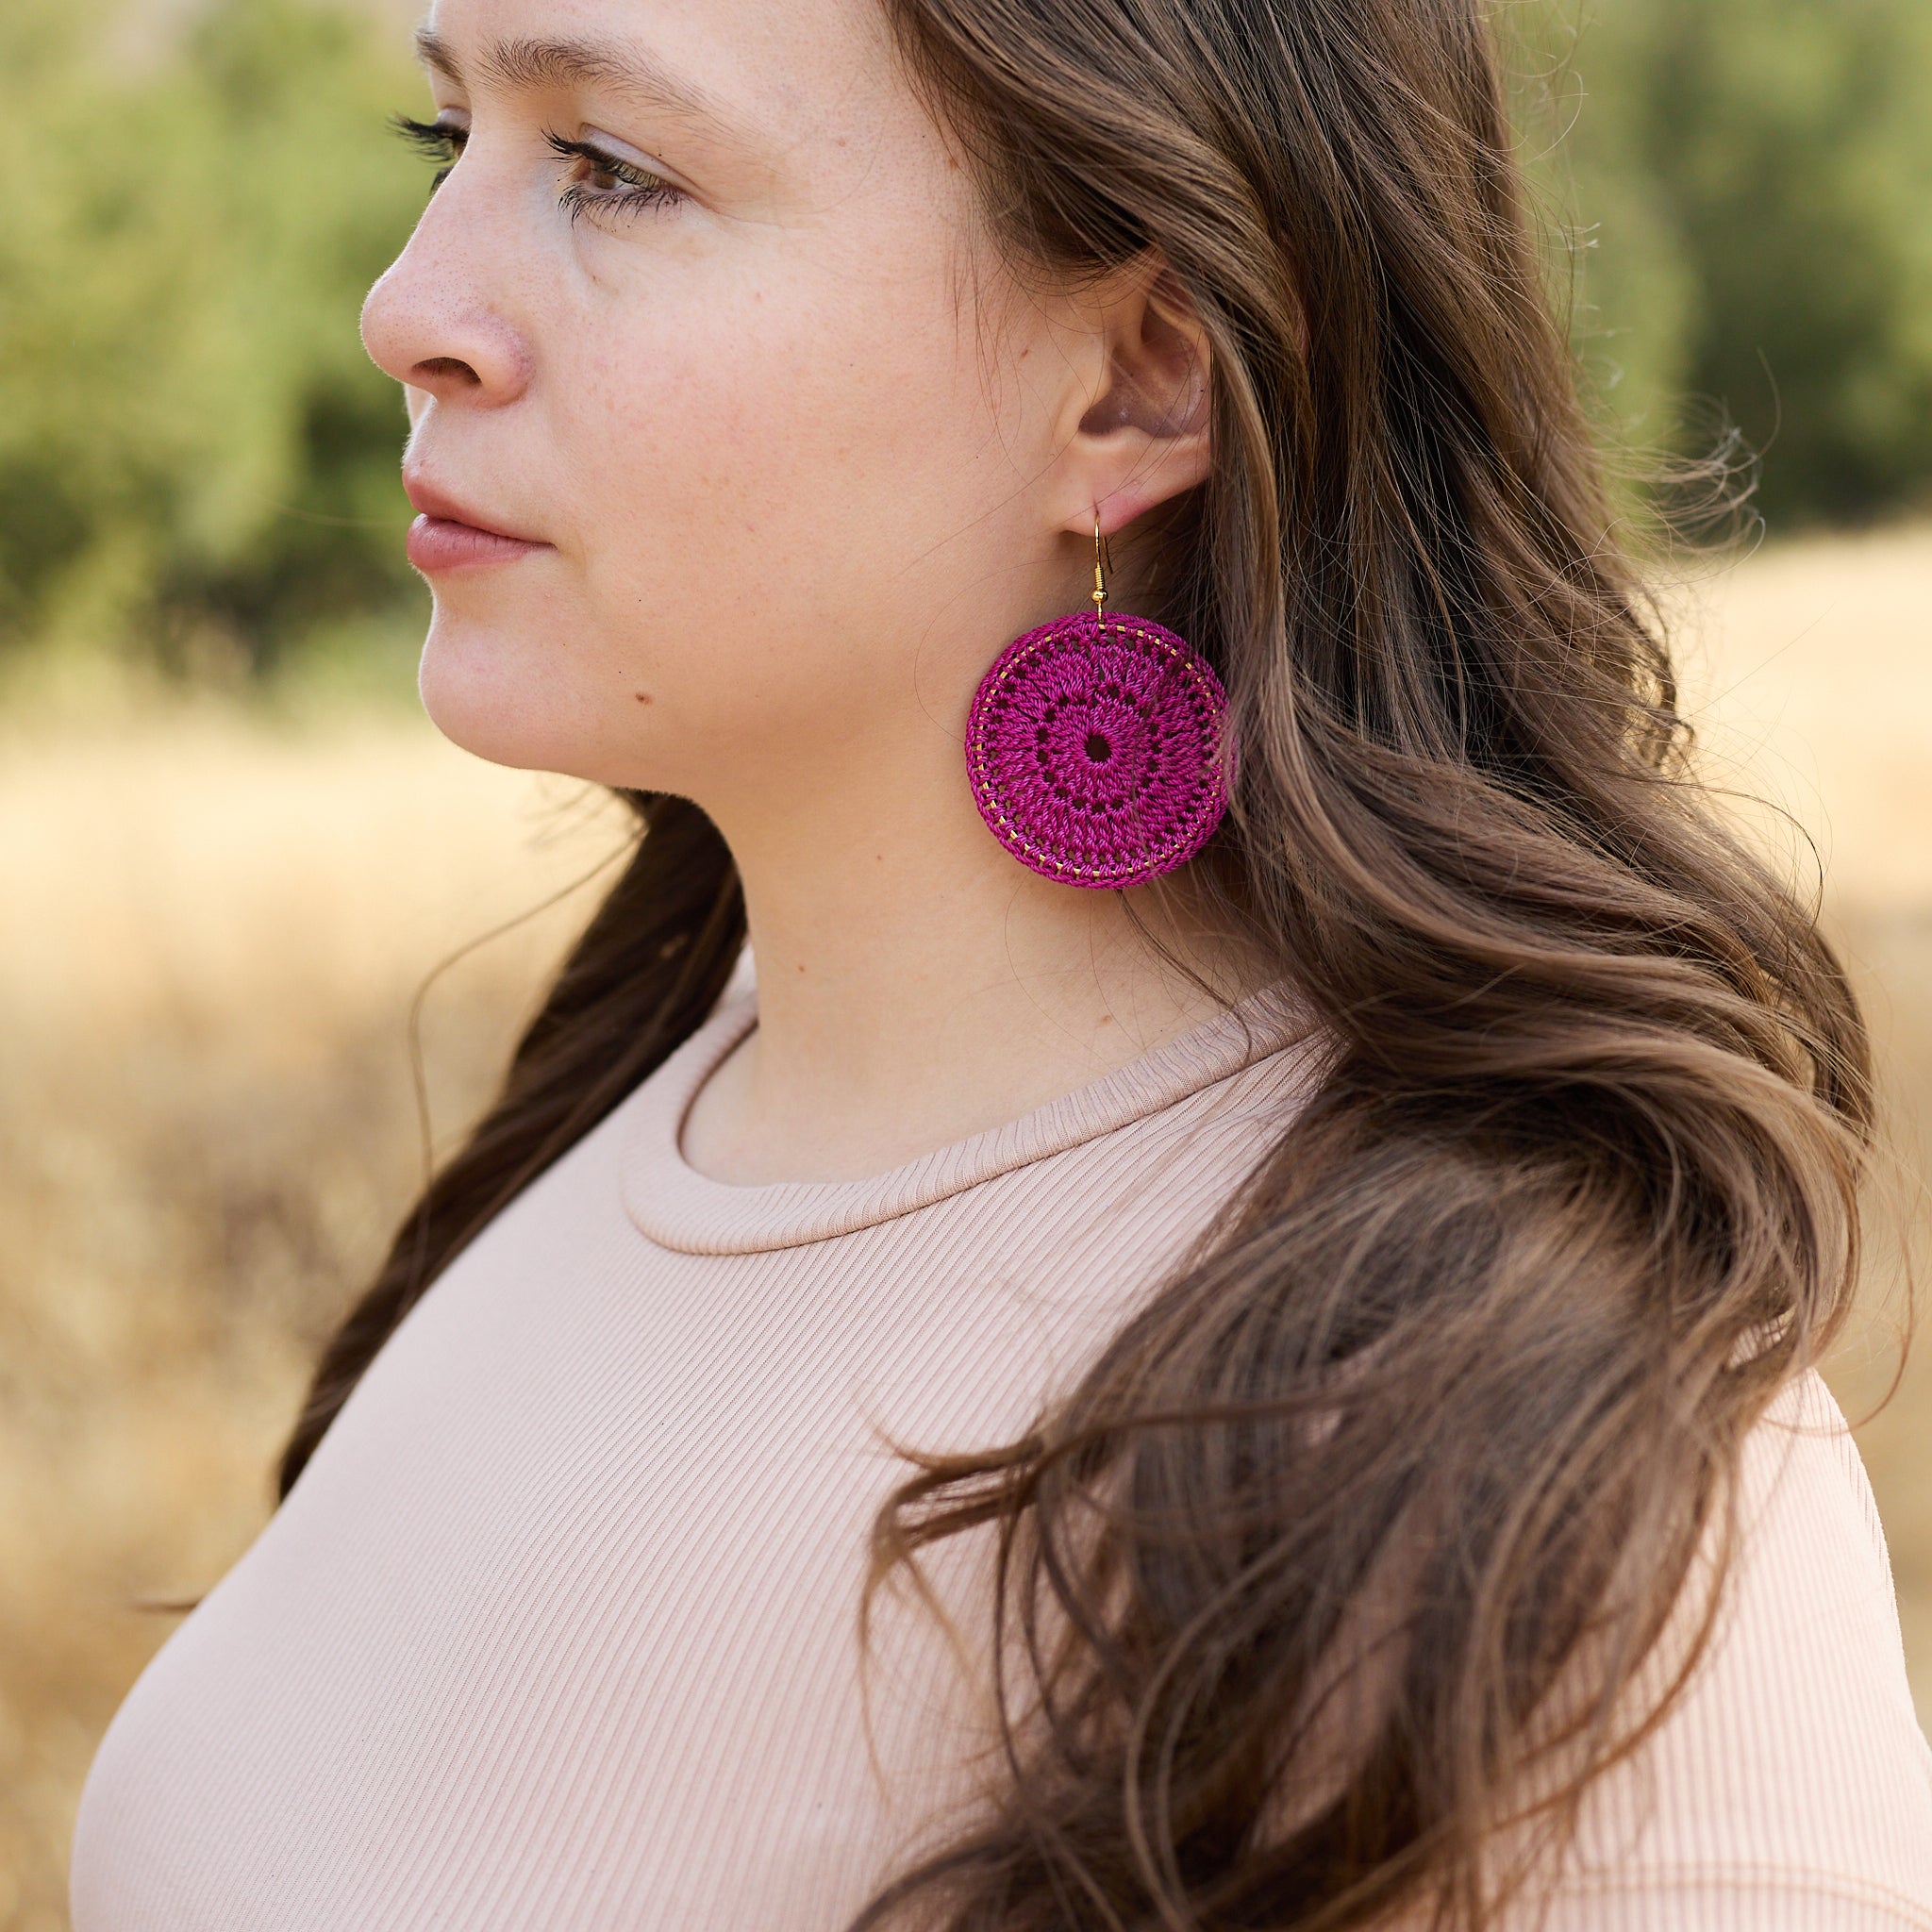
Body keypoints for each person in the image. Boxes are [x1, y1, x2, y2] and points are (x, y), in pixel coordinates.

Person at [69, 0, 1932, 1925]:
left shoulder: (1535, 1473)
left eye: (615, 170)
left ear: (1134, 383)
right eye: (443, 138)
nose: (408, 305)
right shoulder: (628, 1101)